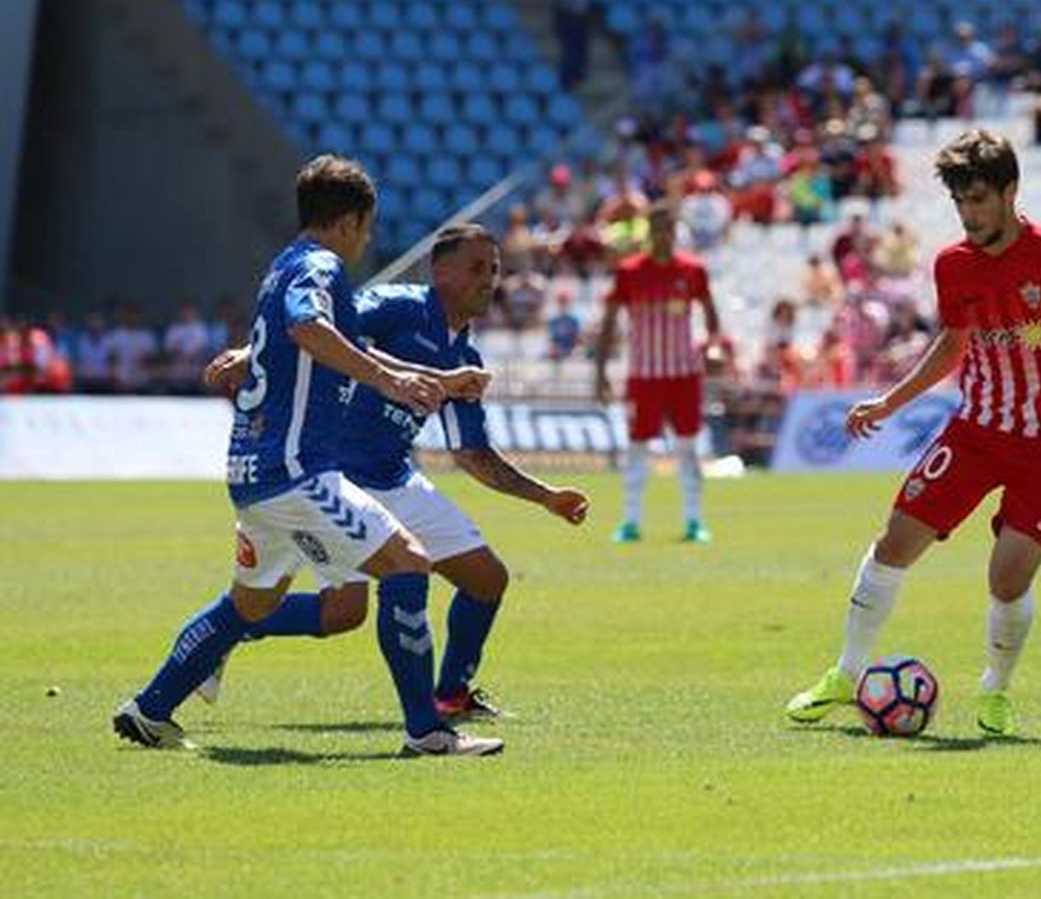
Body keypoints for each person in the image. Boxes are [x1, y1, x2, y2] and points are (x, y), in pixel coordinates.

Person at [113, 156, 501, 757]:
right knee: (408, 565)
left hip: (254, 475)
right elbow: (309, 329)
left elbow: (321, 341)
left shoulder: (283, 266)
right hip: (298, 473)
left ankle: (149, 709)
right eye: (367, 226)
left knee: (249, 605)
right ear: (350, 221)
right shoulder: (321, 267)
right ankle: (428, 731)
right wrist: (386, 376)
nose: (367, 238)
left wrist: (428, 379)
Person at [784, 129, 1041, 736]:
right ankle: (846, 672)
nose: (970, 214)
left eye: (979, 199)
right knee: (894, 543)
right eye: (961, 203)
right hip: (975, 431)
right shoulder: (953, 265)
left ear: (1009, 191)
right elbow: (954, 342)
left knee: (1007, 578)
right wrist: (892, 400)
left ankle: (995, 689)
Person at [199, 224, 591, 721]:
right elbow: (319, 331)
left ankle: (450, 695)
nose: (490, 279)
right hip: (334, 475)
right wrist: (252, 354)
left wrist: (546, 496)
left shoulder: (464, 357)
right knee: (344, 613)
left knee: (487, 579)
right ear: (440, 270)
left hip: (394, 477)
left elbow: (472, 455)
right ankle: (232, 628)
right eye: (477, 268)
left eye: (495, 269)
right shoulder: (397, 306)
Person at [595, 201, 722, 544]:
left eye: (668, 228)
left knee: (687, 448)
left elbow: (711, 312)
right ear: (649, 232)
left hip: (683, 374)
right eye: (658, 228)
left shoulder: (693, 270)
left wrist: (713, 345)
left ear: (675, 231)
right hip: (643, 375)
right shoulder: (630, 271)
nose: (663, 235)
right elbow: (608, 322)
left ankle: (695, 522)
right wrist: (601, 370)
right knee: (638, 448)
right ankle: (631, 521)